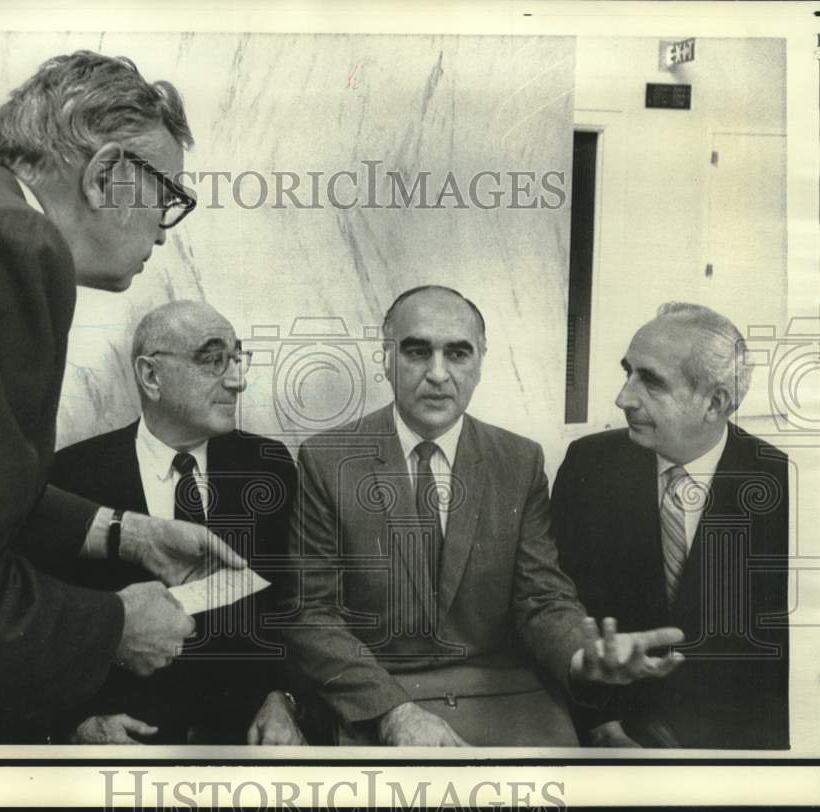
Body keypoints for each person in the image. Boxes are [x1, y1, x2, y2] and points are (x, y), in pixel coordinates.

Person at [0, 51, 244, 743]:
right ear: (104, 176)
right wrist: (117, 625)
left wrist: (127, 533)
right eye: (167, 198)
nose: (163, 229)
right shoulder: (7, 240)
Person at [282, 285, 685, 747]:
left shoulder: (518, 459)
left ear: (480, 362)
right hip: (377, 696)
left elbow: (542, 598)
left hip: (504, 695)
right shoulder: (328, 459)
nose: (438, 374)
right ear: (387, 358)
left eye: (457, 353)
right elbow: (313, 616)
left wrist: (582, 656)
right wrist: (392, 712)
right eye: (417, 352)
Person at [49, 300, 306, 745]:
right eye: (213, 360)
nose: (238, 380)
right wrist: (79, 727)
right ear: (151, 377)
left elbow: (291, 605)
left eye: (237, 359)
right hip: (125, 753)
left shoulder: (267, 465)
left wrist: (283, 698)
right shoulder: (70, 479)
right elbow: (45, 621)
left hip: (244, 746)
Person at [551, 303, 789, 749]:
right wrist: (602, 726)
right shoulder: (589, 465)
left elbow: (787, 669)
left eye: (652, 381)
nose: (623, 398)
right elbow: (558, 608)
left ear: (715, 403)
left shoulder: (785, 485)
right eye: (628, 372)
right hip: (609, 730)